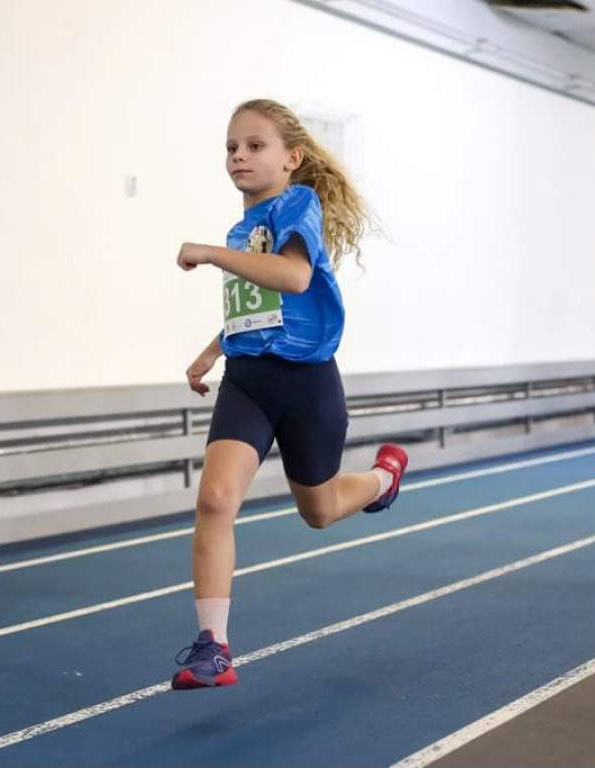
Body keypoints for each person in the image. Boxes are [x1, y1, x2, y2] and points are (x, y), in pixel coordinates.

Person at [171, 98, 409, 690]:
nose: (238, 156)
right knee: (215, 501)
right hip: (249, 382)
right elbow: (259, 313)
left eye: (254, 146)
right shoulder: (240, 230)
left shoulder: (297, 205)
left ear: (291, 158)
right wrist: (213, 350)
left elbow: (294, 278)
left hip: (306, 384)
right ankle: (213, 648)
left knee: (319, 511)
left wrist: (208, 253)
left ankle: (383, 479)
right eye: (231, 147)